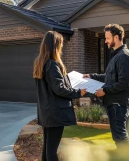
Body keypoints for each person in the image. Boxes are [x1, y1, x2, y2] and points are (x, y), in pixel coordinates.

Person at [33, 31, 87, 161]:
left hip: (47, 112)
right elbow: (60, 89)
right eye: (61, 44)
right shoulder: (52, 65)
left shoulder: (40, 63)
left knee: (47, 148)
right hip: (55, 113)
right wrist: (78, 93)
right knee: (52, 151)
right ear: (55, 45)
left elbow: (54, 86)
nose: (62, 47)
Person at [83, 24, 129, 147]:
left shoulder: (124, 56)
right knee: (119, 136)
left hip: (119, 104)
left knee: (120, 137)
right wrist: (91, 76)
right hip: (115, 104)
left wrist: (105, 91)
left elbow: (123, 83)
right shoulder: (117, 56)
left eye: (107, 38)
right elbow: (109, 78)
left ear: (116, 37)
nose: (105, 41)